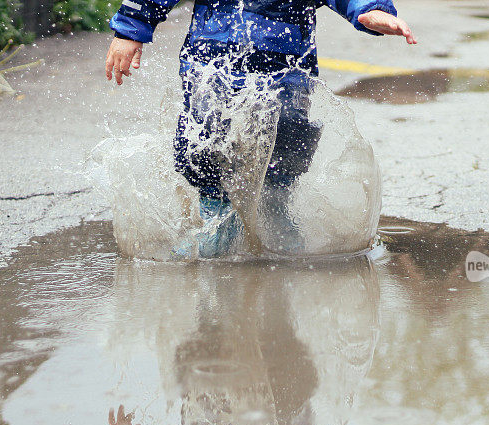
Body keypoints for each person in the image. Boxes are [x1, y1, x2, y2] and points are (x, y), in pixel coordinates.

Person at [105, 0, 416, 257]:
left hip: (287, 68)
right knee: (203, 141)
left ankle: (276, 205)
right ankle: (216, 213)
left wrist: (371, 9)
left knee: (289, 138)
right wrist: (131, 28)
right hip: (212, 63)